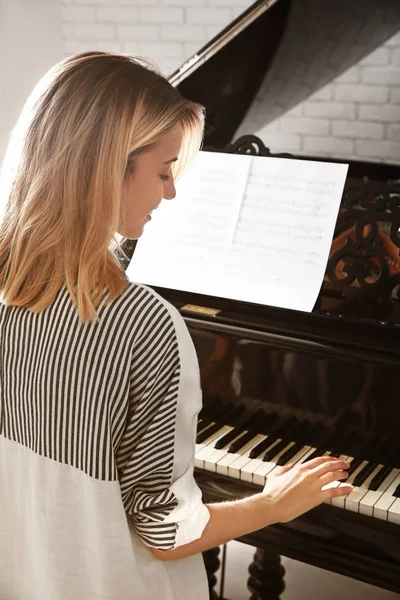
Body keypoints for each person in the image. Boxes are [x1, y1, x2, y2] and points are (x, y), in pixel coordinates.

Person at [0, 51, 353, 600]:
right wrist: (275, 503)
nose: (169, 194)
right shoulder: (143, 326)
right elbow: (166, 532)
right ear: (106, 168)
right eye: (164, 171)